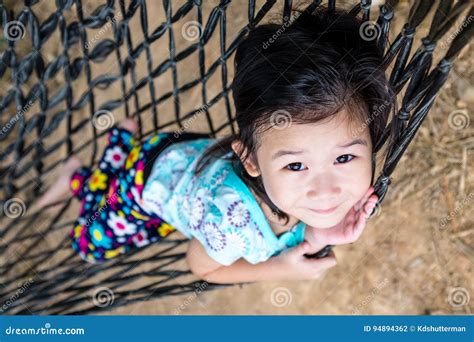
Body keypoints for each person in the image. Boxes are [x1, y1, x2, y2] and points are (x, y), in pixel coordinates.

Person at [35, 5, 392, 284]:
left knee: (115, 185)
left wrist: (317, 235)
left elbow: (294, 217)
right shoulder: (227, 228)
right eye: (296, 166)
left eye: (344, 156)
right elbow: (202, 268)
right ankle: (79, 178)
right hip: (147, 189)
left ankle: (121, 143)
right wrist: (283, 269)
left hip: (179, 155)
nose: (324, 190)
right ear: (251, 161)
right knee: (89, 244)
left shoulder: (284, 186)